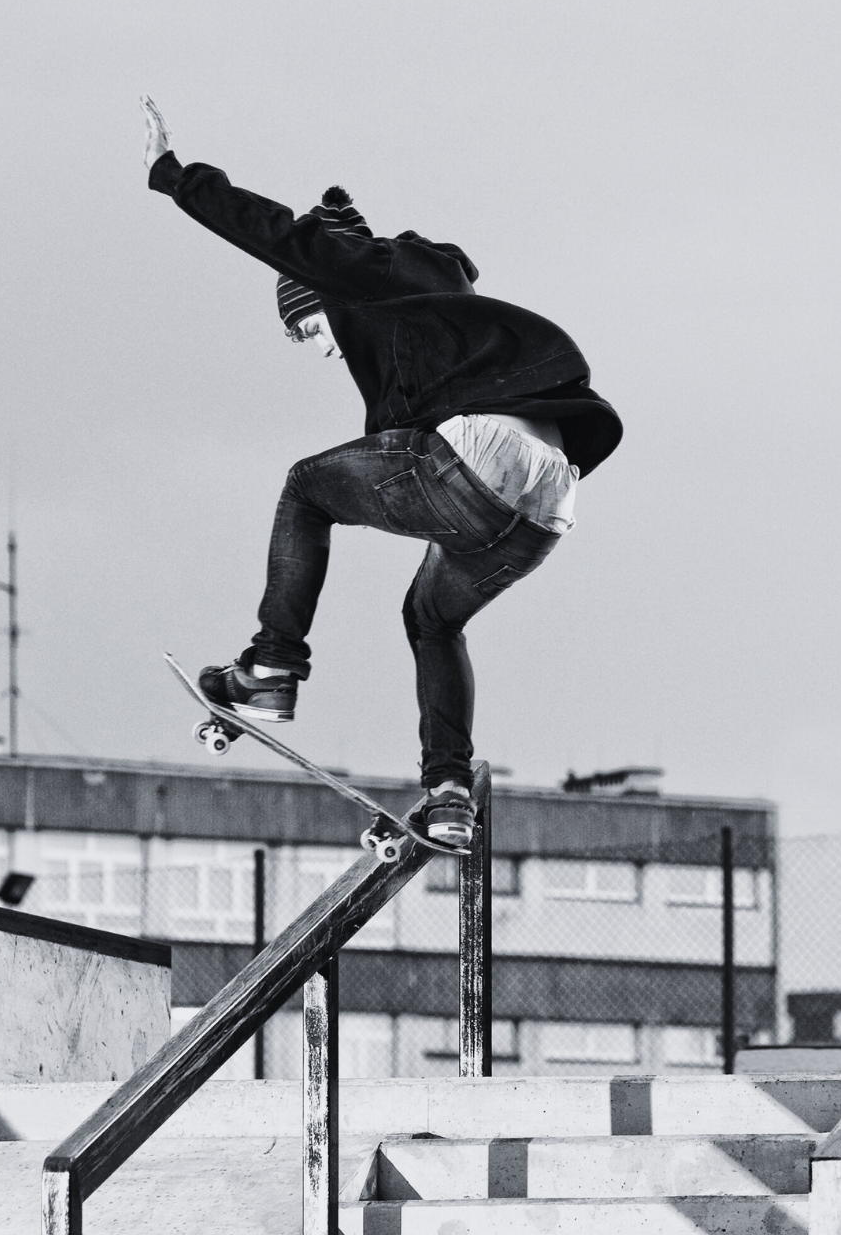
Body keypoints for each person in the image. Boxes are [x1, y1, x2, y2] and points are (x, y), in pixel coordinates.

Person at [138, 97, 621, 849]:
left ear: (324, 295)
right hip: (549, 494)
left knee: (305, 488)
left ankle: (271, 665)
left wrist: (174, 176)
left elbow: (275, 235)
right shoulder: (427, 304)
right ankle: (450, 792)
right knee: (433, 619)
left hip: (477, 454)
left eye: (310, 330)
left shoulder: (359, 275)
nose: (323, 349)